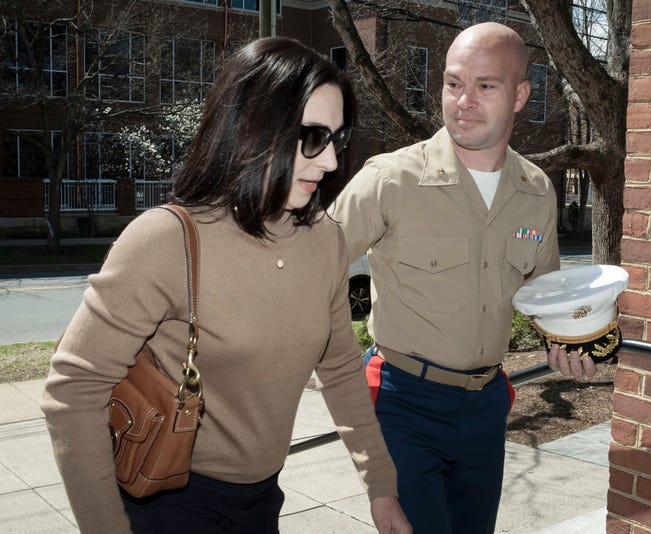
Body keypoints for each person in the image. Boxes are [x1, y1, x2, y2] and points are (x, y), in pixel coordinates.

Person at [41, 36, 411, 534]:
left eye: (337, 140)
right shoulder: (166, 239)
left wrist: (381, 487)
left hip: (262, 500)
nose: (329, 163)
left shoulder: (325, 240)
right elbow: (73, 390)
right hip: (169, 500)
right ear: (255, 128)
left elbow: (342, 367)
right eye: (313, 138)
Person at [331, 22, 595, 534]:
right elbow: (305, 269)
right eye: (454, 84)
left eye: (485, 86)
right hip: (404, 404)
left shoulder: (536, 189)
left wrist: (571, 336)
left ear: (520, 96)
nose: (464, 101)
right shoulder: (390, 179)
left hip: (487, 405)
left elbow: (545, 293)